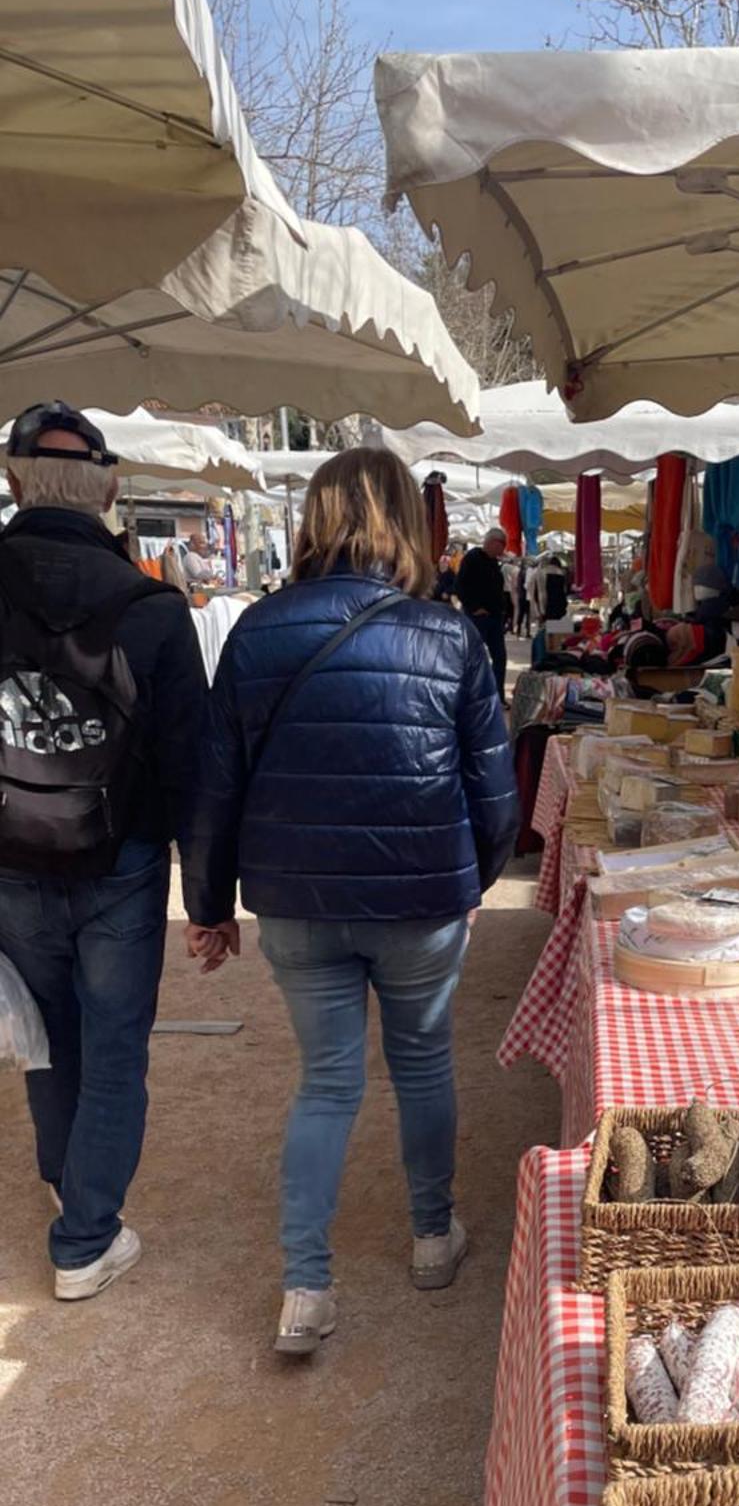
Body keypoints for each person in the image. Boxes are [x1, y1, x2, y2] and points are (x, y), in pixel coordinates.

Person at [182, 448, 518, 1357]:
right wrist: (474, 881)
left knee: (326, 1084)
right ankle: (431, 1239)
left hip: (295, 899)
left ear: (315, 519)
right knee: (421, 1065)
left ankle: (305, 1287)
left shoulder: (256, 629)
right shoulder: (447, 635)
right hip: (420, 901)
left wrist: (208, 905)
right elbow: (495, 789)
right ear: (408, 523)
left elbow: (215, 785)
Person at [0, 401, 207, 1299]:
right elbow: (193, 761)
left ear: (13, 480)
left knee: (48, 1036)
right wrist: (207, 893)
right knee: (115, 1044)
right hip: (121, 859)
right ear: (110, 489)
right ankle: (84, 1236)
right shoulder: (152, 608)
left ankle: (70, 1185)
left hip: (9, 851)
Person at [455, 527, 510, 682]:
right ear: (493, 542)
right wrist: (474, 608)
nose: (503, 549)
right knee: (473, 658)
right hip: (478, 618)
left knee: (499, 658)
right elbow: (459, 586)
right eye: (502, 545)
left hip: (494, 618)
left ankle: (497, 695)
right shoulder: (472, 558)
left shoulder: (493, 562)